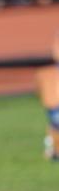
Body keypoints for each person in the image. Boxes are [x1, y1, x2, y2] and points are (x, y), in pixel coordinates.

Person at [37, 32, 59, 162]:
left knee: (54, 125)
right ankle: (52, 149)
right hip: (54, 106)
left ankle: (52, 149)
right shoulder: (48, 75)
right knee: (54, 126)